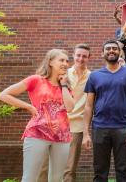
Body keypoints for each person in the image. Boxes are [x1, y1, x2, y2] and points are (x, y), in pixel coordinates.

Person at [0, 49, 74, 182]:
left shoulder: (66, 86)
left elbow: (70, 107)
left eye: (67, 61)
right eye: (61, 60)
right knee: (30, 178)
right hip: (37, 133)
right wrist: (27, 106)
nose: (65, 64)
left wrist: (63, 85)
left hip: (62, 136)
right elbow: (4, 95)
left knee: (57, 179)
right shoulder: (36, 80)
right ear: (50, 62)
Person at [82, 40, 126, 182]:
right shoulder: (94, 76)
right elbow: (88, 106)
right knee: (100, 171)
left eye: (115, 48)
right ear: (103, 53)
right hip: (100, 127)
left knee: (123, 170)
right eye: (108, 49)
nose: (111, 51)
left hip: (123, 128)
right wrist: (85, 133)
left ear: (120, 52)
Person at [37, 44, 92, 182]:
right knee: (44, 166)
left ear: (89, 58)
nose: (81, 58)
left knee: (69, 168)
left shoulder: (92, 77)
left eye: (84, 56)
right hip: (55, 124)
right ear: (73, 56)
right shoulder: (62, 74)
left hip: (76, 127)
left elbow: (89, 105)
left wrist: (86, 132)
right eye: (78, 55)